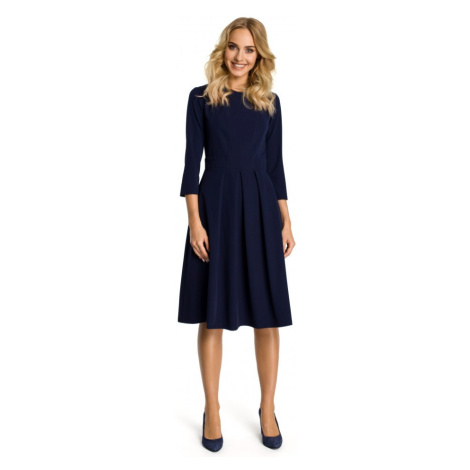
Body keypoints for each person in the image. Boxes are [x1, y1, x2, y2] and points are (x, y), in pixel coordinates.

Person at [177, 17, 296, 451]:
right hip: (216, 208)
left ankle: (268, 408)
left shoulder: (270, 102)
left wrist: (286, 220)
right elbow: (191, 165)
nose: (239, 57)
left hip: (261, 210)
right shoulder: (201, 98)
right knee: (211, 314)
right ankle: (212, 408)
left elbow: (275, 167)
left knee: (267, 315)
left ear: (259, 55)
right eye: (233, 47)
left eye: (248, 49)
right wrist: (195, 222)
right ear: (223, 49)